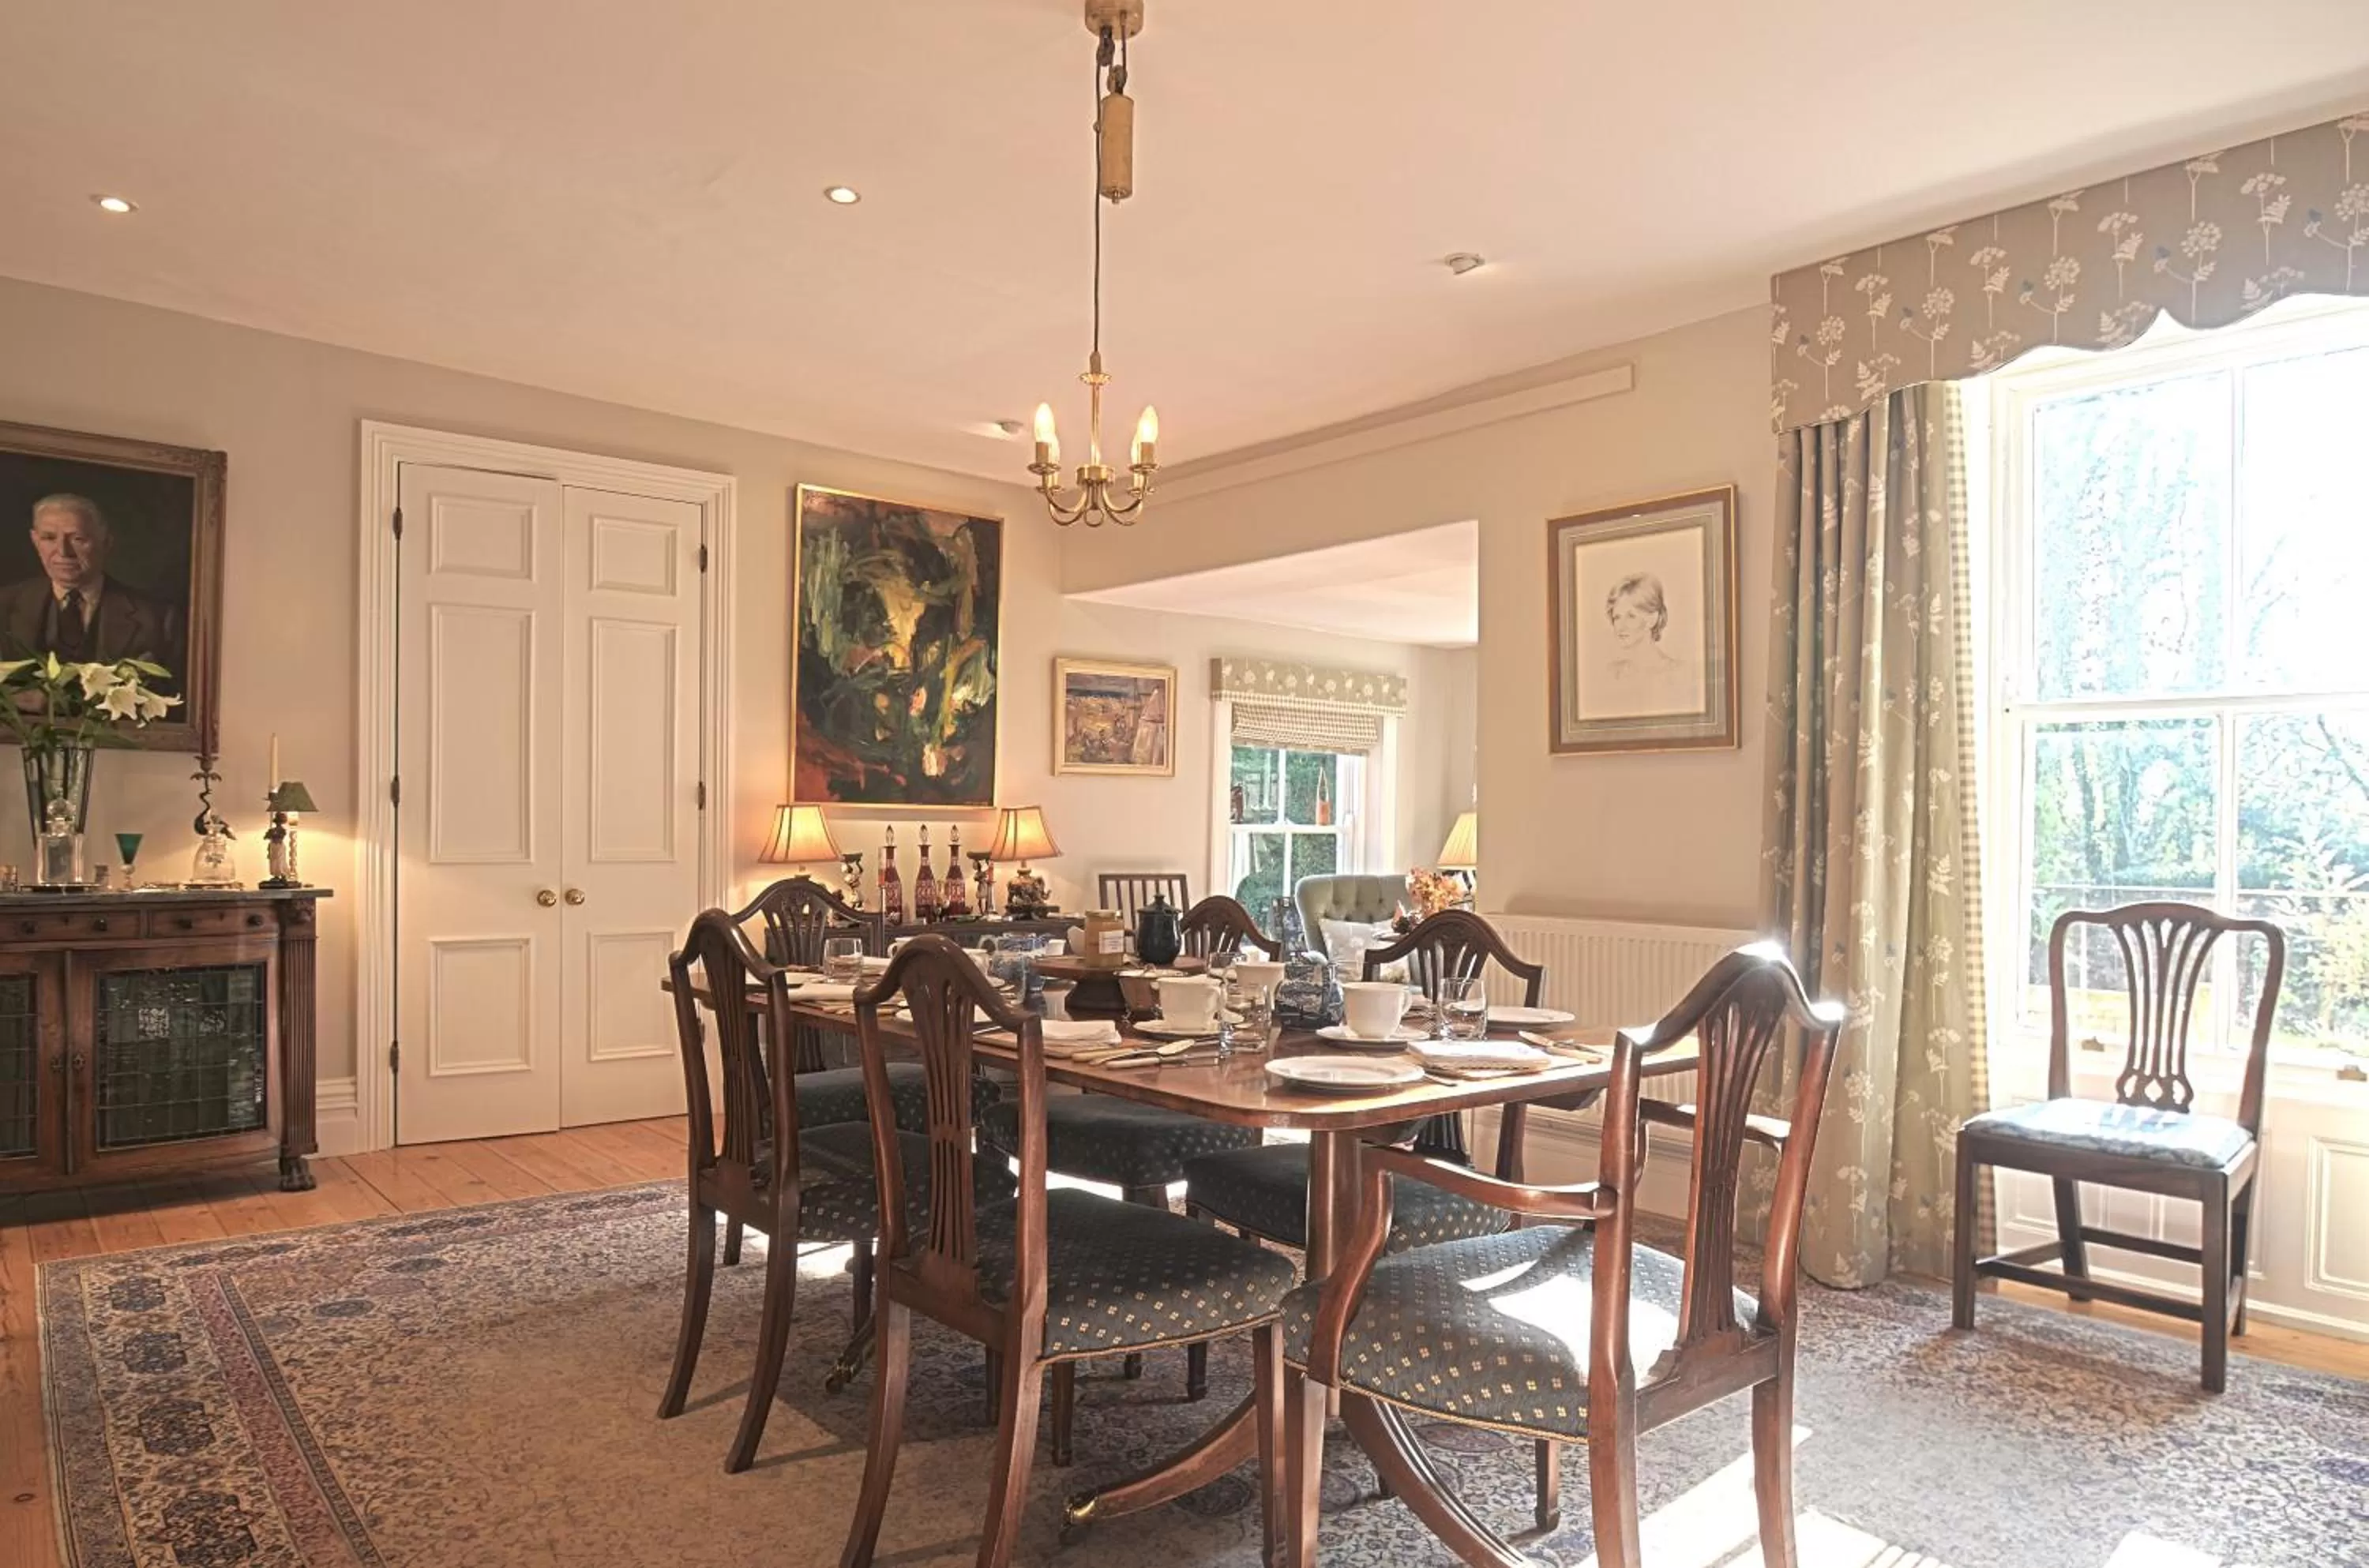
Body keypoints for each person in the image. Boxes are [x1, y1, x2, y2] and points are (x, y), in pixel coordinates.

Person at [0, 493, 184, 677]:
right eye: (49, 538)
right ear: (35, 541)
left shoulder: (158, 620)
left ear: (106, 543)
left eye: (78, 539)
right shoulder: (4, 605)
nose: (63, 552)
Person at [1597, 570, 1699, 716]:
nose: (1620, 626)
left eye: (1631, 616)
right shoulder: (1612, 673)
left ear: (1652, 619)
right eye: (1617, 617)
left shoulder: (1678, 673)